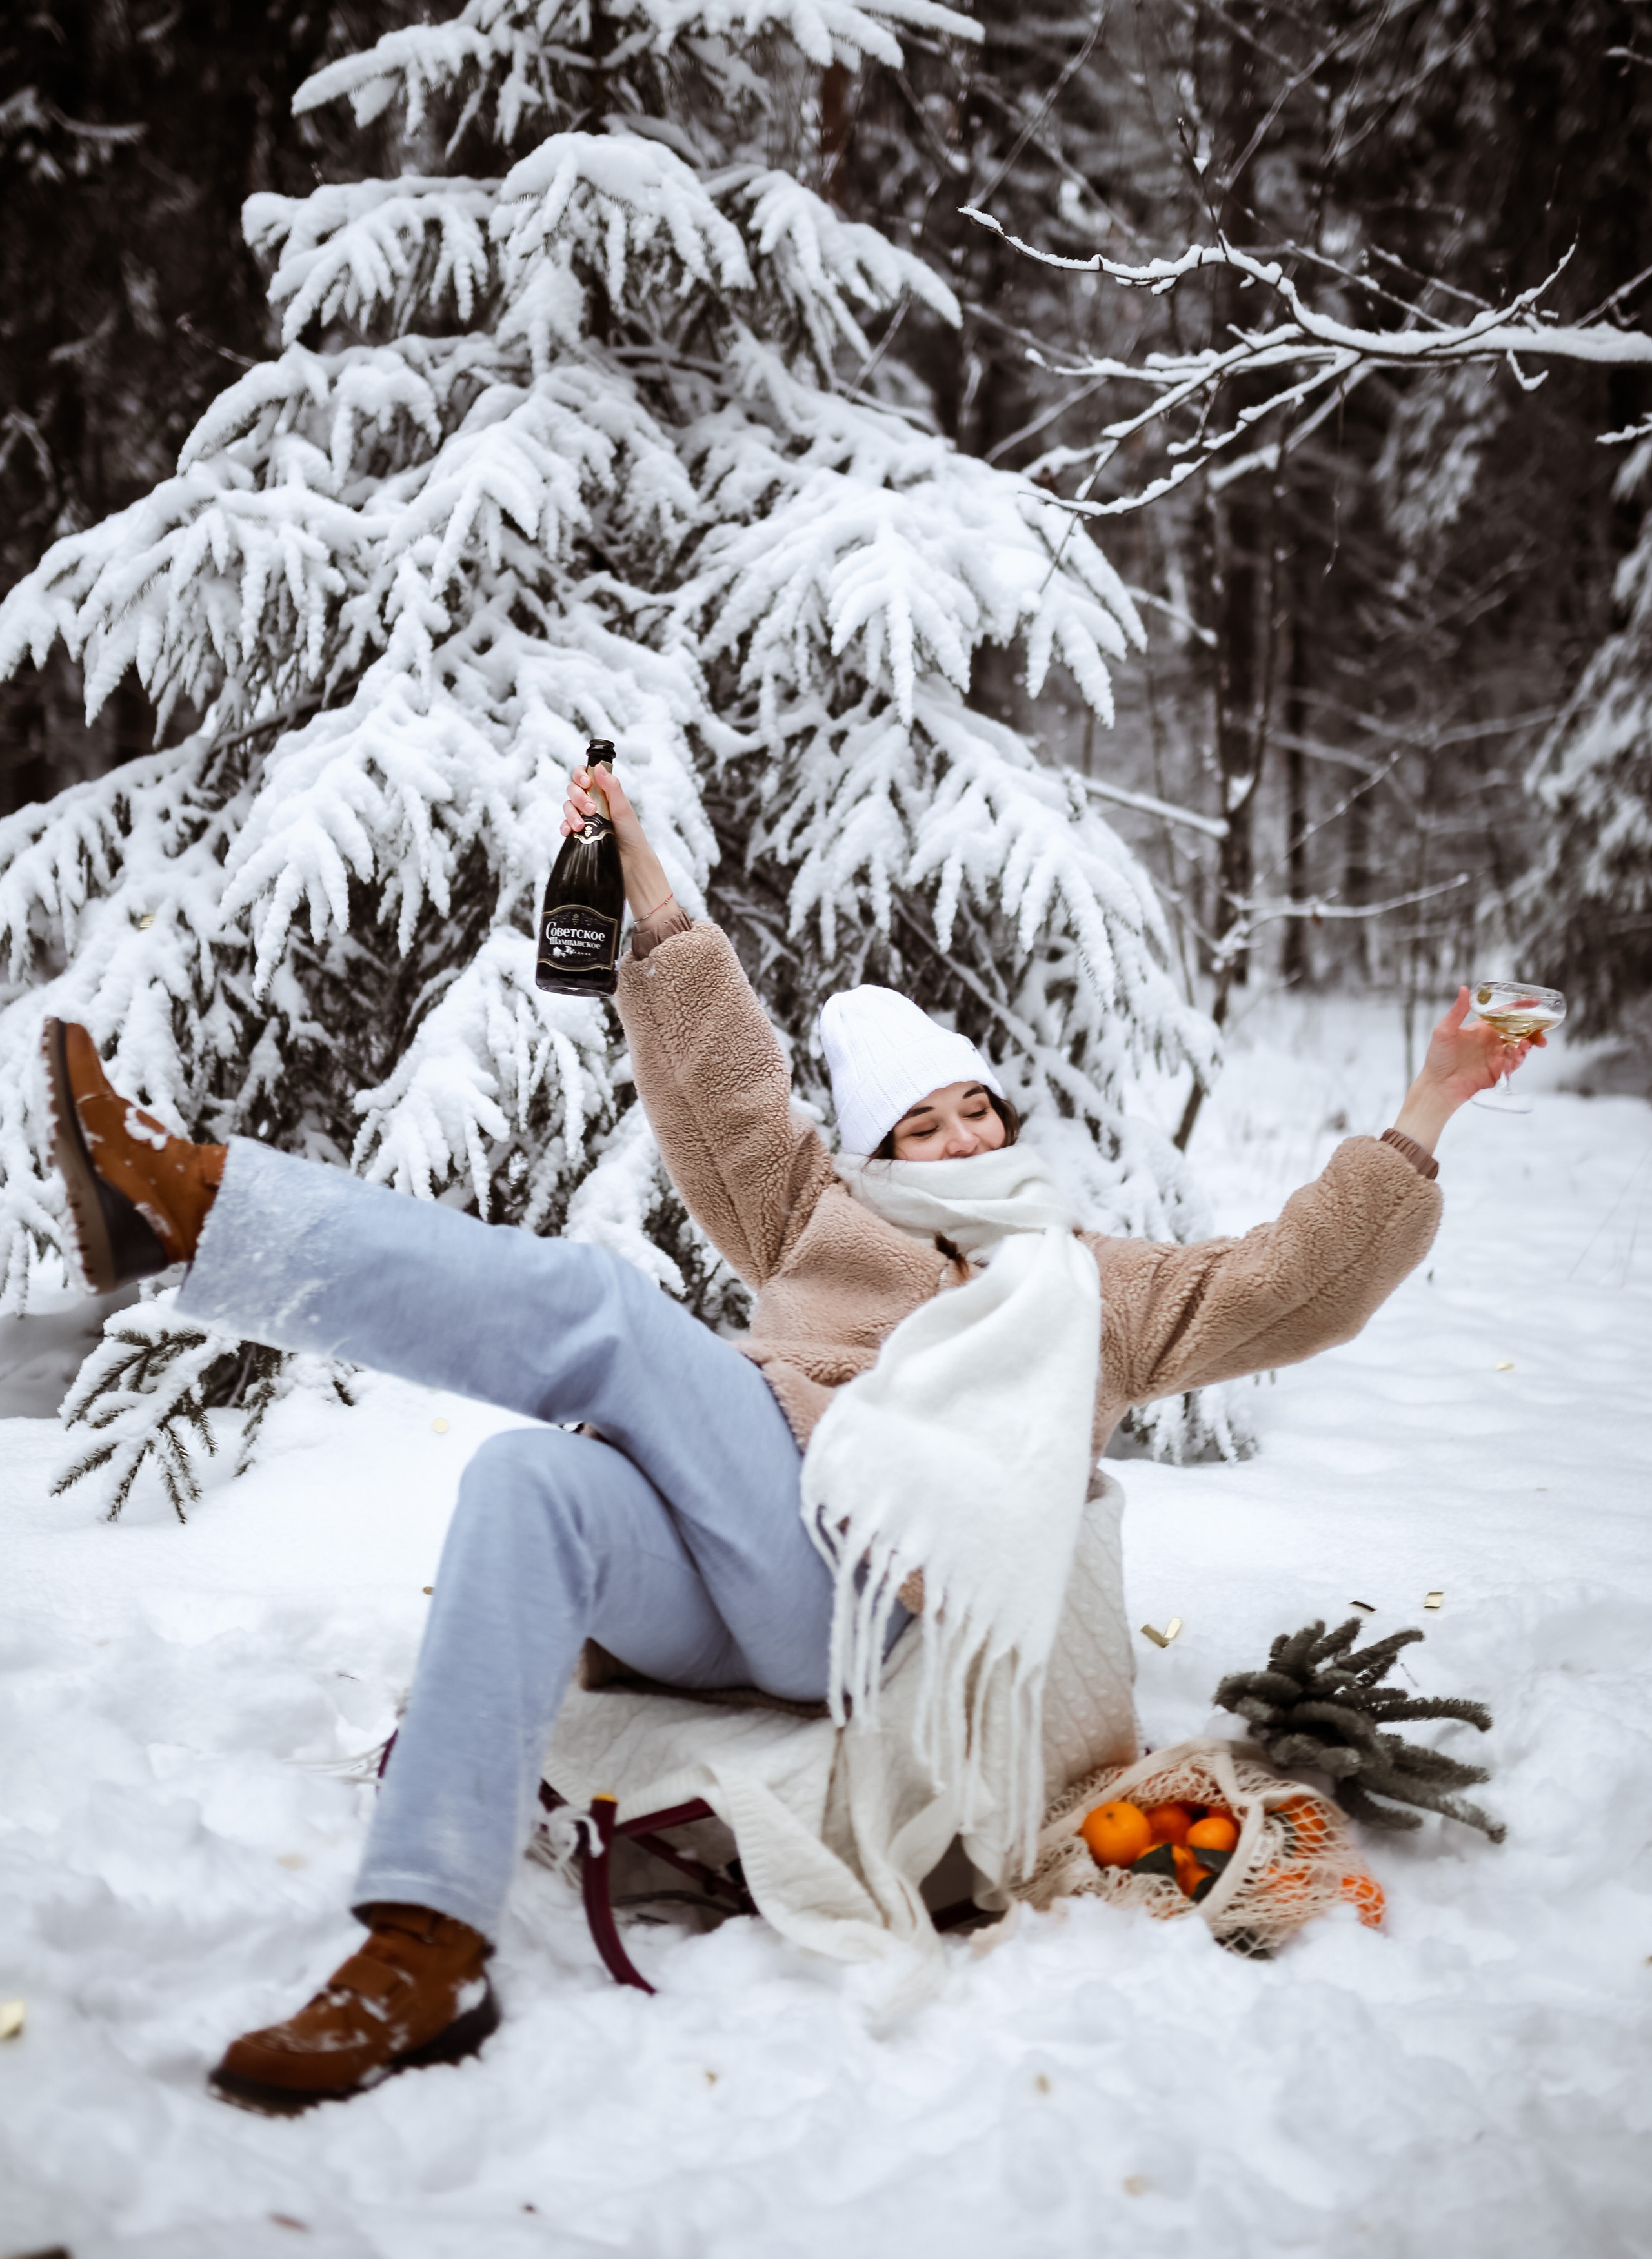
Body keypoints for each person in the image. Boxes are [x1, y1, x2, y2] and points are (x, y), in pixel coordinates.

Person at [41, 762, 1539, 2114]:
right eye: (922, 1127)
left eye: (976, 1113)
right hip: (745, 1579)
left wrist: (1425, 1109)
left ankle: (193, 1204)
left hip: (890, 1602)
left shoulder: (1089, 1286)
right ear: (875, 1154)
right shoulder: (812, 1220)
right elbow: (725, 1082)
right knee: (532, 1479)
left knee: (594, 1310)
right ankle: (422, 1945)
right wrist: (642, 882)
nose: (960, 1143)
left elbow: (1291, 1284)